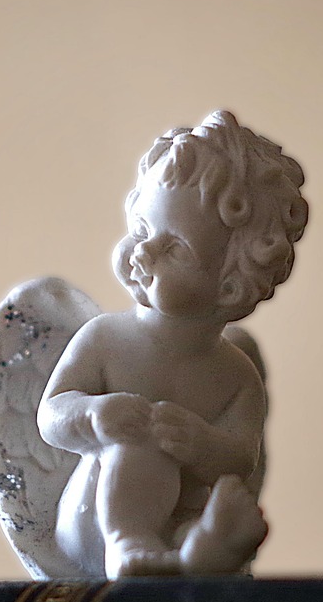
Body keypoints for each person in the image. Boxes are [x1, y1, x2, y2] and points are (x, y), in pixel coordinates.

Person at [38, 111, 308, 577]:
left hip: (176, 511)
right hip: (95, 521)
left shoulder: (236, 375)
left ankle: (199, 550)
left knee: (210, 501)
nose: (143, 252)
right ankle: (130, 543)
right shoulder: (105, 338)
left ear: (230, 285)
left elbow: (240, 459)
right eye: (141, 231)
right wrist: (94, 414)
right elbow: (51, 416)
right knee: (139, 438)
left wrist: (201, 443)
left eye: (175, 248)